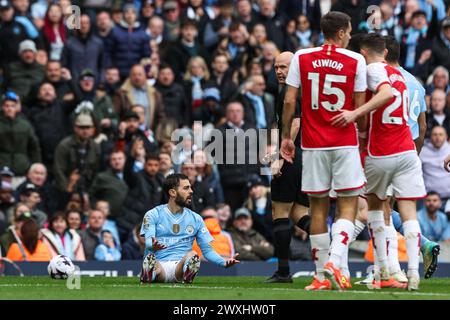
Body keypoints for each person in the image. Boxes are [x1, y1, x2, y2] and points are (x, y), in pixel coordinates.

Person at [332, 34, 427, 291]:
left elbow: (375, 107)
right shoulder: (407, 80)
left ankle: (382, 269)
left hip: (380, 150)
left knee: (375, 208)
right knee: (407, 211)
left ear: (364, 53)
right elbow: (420, 122)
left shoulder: (371, 71)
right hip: (408, 149)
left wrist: (355, 116)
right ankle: (412, 273)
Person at [281, 11, 367, 291]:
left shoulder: (301, 57)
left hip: (314, 144)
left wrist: (285, 137)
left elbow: (289, 101)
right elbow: (359, 107)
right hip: (344, 143)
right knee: (347, 207)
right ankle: (335, 260)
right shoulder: (356, 60)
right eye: (350, 31)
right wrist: (361, 129)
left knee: (317, 209)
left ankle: (320, 277)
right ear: (341, 32)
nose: (351, 36)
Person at [139, 173, 239, 284]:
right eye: (186, 188)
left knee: (193, 255)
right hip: (159, 262)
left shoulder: (196, 219)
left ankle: (187, 274)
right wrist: (152, 245)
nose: (191, 191)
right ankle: (150, 273)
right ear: (172, 192)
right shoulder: (153, 214)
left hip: (180, 267)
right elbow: (148, 241)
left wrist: (223, 262)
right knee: (152, 259)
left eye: (190, 187)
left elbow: (207, 250)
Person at [266, 51, 311, 283]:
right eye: (277, 68)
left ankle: (283, 272)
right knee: (300, 213)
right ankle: (335, 245)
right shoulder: (298, 88)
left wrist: (281, 155)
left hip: (294, 156)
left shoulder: (294, 91)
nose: (280, 72)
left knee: (280, 211)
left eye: (284, 67)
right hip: (307, 158)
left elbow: (296, 121)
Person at [385, 36, 427, 153]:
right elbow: (422, 126)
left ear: (383, 53)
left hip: (388, 148)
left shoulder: (385, 80)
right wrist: (416, 153)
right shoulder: (417, 83)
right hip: (410, 150)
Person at [0, 91, 41, 179]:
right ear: (2, 107)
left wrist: (35, 166)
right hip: (2, 169)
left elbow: (34, 147)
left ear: (17, 108)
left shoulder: (25, 125)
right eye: (7, 106)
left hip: (22, 169)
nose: (9, 109)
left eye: (12, 106)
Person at [89, 150, 129, 218]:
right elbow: (91, 195)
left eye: (120, 159)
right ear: (110, 162)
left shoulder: (132, 176)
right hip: (108, 218)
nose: (117, 162)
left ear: (125, 160)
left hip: (128, 218)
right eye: (114, 159)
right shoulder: (102, 177)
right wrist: (97, 205)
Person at [420, 126, 450, 206]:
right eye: (435, 134)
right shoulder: (422, 152)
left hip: (448, 199)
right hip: (428, 200)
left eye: (440, 134)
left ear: (446, 136)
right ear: (430, 136)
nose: (437, 137)